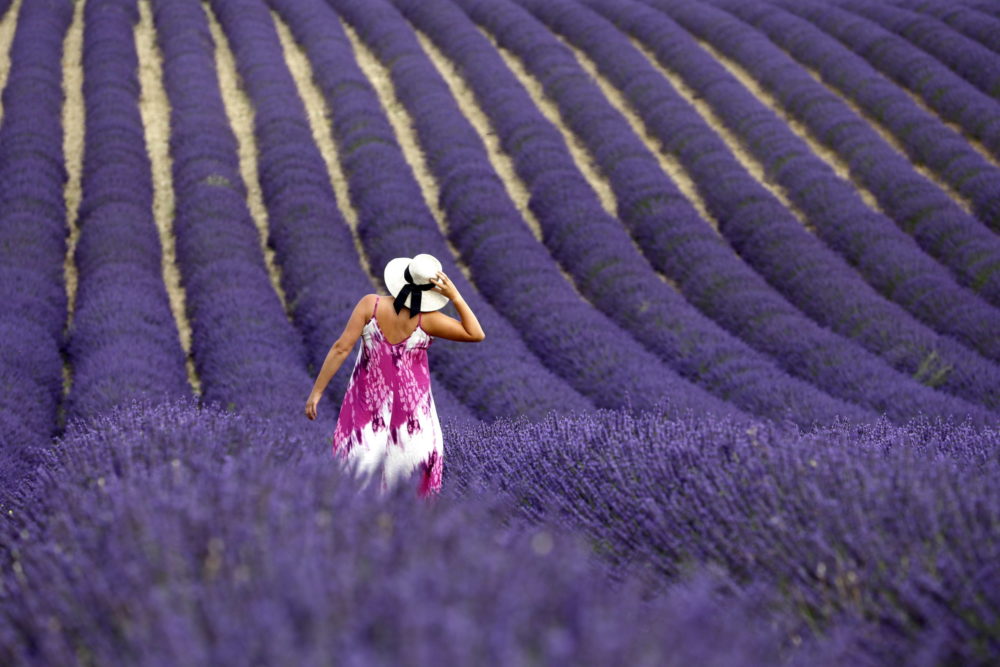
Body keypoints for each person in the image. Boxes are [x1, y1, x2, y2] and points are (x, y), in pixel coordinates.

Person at [304, 253, 485, 497]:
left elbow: (341, 348)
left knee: (355, 483)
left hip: (366, 409)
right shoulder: (429, 320)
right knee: (409, 494)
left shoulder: (371, 305)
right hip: (413, 420)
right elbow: (476, 333)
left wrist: (316, 392)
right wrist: (456, 297)